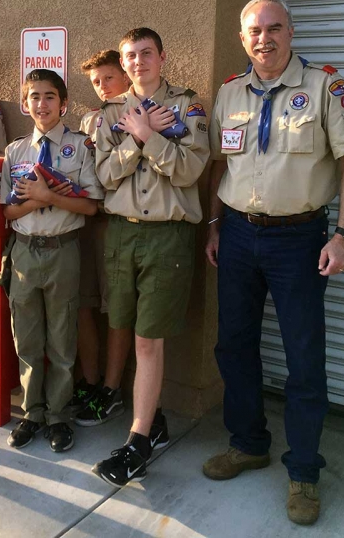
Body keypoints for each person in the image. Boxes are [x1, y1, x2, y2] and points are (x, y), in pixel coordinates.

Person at [204, 0, 344, 526]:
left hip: (299, 240)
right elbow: (216, 168)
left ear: (291, 33)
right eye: (254, 30)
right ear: (242, 37)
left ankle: (303, 471)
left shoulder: (323, 87)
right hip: (236, 235)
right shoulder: (229, 93)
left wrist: (342, 234)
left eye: (274, 28)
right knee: (234, 344)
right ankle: (249, 442)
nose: (264, 38)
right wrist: (213, 227)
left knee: (303, 358)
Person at [91, 28, 209, 486]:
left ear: (162, 56)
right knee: (124, 324)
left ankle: (137, 442)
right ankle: (153, 420)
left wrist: (151, 136)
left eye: (146, 53)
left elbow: (191, 170)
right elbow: (103, 176)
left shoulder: (187, 106)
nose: (138, 62)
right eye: (130, 56)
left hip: (166, 236)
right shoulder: (108, 115)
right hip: (122, 233)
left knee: (147, 341)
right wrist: (137, 138)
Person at [0, 69, 103, 452]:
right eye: (34, 97)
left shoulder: (80, 147)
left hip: (63, 249)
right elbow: (8, 213)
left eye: (49, 97)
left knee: (62, 338)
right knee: (26, 337)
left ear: (64, 104)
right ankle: (32, 412)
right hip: (25, 249)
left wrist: (50, 197)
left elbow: (91, 207)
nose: (41, 104)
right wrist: (36, 199)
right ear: (25, 104)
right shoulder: (14, 151)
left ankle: (58, 416)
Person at [71, 50, 132, 426]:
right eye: (96, 81)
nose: (102, 86)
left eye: (108, 78)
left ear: (125, 75)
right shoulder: (89, 118)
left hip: (116, 222)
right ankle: (90, 381)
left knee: (116, 309)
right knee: (83, 304)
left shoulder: (138, 116)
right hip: (84, 223)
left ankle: (112, 390)